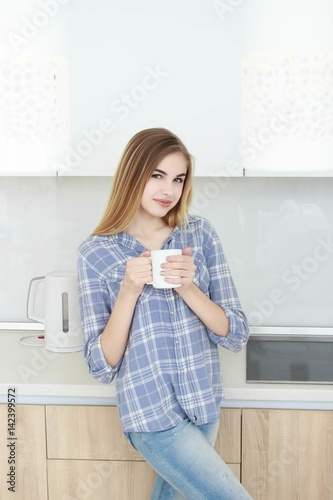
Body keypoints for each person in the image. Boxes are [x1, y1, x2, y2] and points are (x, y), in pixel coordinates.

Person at [77, 127, 252, 500]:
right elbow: (100, 364)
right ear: (133, 175)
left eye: (178, 178)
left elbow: (235, 332)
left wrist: (188, 288)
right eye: (156, 175)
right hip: (151, 412)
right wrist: (128, 291)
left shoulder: (200, 235)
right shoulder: (96, 252)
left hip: (203, 402)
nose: (168, 190)